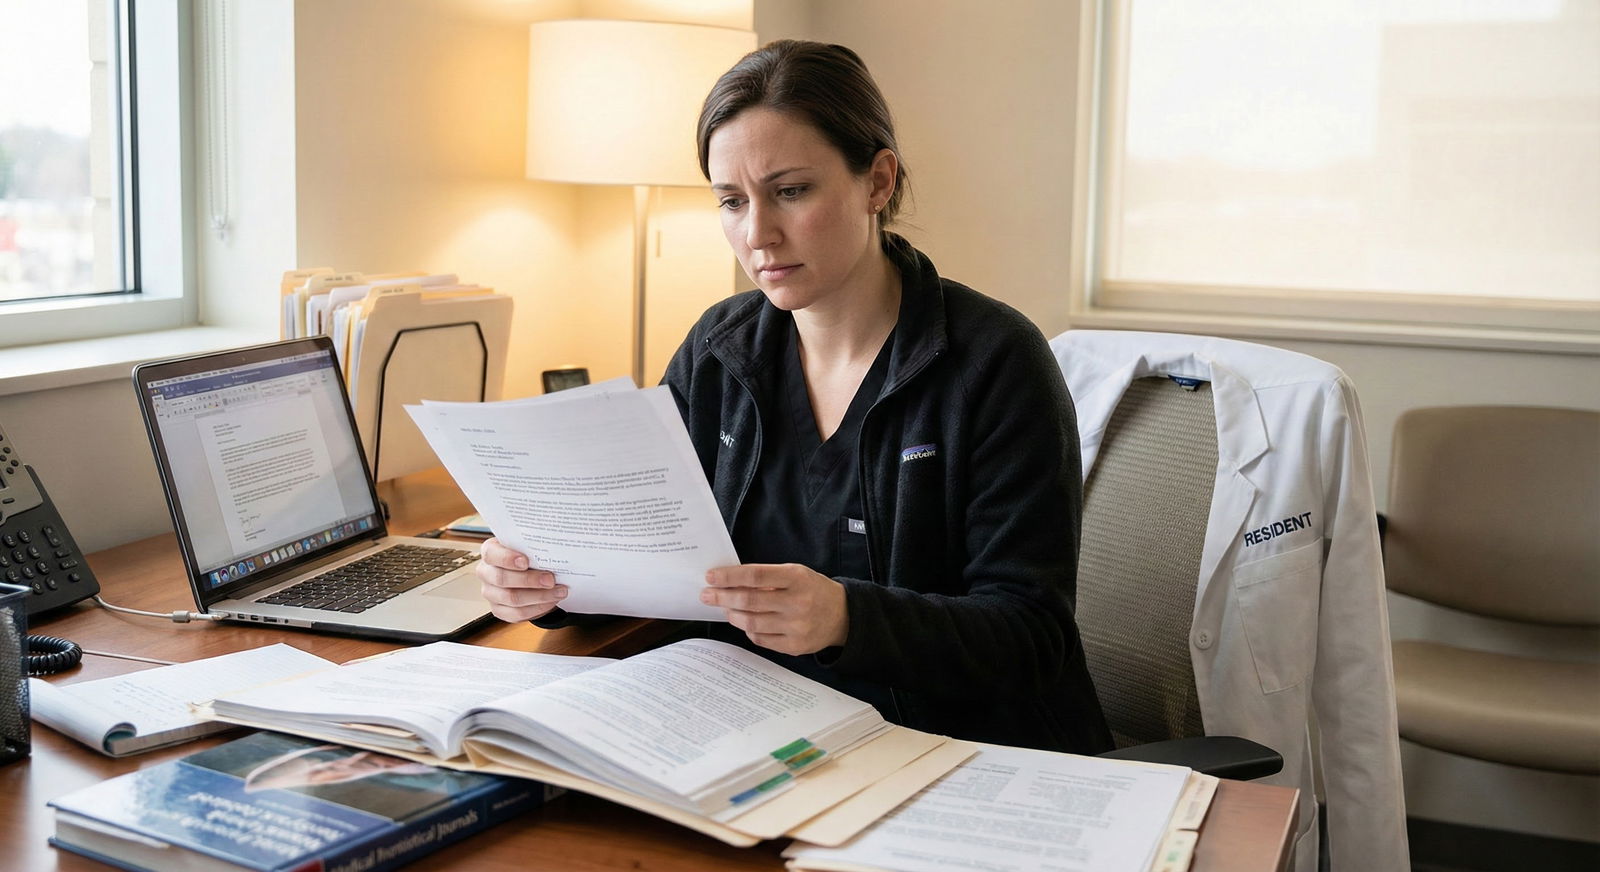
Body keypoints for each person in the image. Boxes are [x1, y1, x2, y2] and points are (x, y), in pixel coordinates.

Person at [476, 39, 1110, 754]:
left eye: (791, 191)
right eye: (731, 201)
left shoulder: (992, 363)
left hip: (947, 753)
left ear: (878, 181)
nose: (757, 235)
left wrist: (847, 619)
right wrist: (551, 584)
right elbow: (648, 562)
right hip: (750, 739)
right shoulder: (720, 350)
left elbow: (1031, 635)